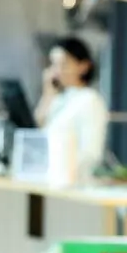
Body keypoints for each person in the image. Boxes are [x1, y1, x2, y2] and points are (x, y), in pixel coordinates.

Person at [34, 36, 109, 179]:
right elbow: (39, 129)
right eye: (53, 64)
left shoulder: (90, 100)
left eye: (63, 64)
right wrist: (47, 94)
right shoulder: (58, 99)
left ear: (83, 66)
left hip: (74, 180)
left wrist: (64, 167)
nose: (56, 71)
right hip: (50, 178)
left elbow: (92, 152)